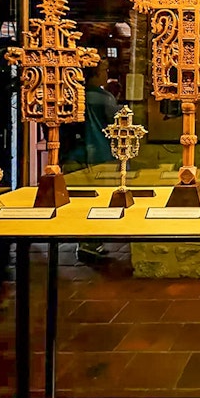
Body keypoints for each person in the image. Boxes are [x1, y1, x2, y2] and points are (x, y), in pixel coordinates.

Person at [75, 59, 120, 262]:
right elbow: (117, 123)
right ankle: (93, 240)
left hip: (79, 154)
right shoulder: (103, 98)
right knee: (101, 199)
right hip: (102, 153)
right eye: (103, 70)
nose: (106, 73)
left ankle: (84, 240)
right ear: (94, 73)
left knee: (84, 200)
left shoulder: (76, 95)